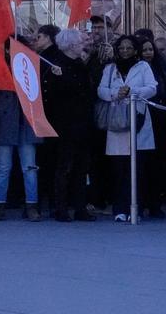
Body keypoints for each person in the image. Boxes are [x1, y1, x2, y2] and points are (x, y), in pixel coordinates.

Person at [96, 34, 157, 222]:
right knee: (119, 169)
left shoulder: (143, 66)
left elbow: (152, 87)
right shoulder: (110, 68)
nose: (124, 51)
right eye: (121, 47)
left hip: (137, 119)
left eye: (129, 47)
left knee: (137, 168)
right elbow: (101, 90)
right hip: (116, 122)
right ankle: (120, 208)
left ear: (135, 50)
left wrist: (133, 92)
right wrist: (116, 93)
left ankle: (135, 207)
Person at [40, 27, 95, 221]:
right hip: (64, 125)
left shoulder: (80, 64)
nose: (84, 44)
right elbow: (51, 97)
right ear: (71, 45)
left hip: (83, 123)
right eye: (80, 42)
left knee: (82, 167)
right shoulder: (56, 66)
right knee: (64, 167)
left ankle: (80, 207)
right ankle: (60, 208)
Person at [0, 42, 42, 222]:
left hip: (26, 122)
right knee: (3, 168)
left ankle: (32, 205)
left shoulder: (31, 67)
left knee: (30, 168)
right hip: (4, 122)